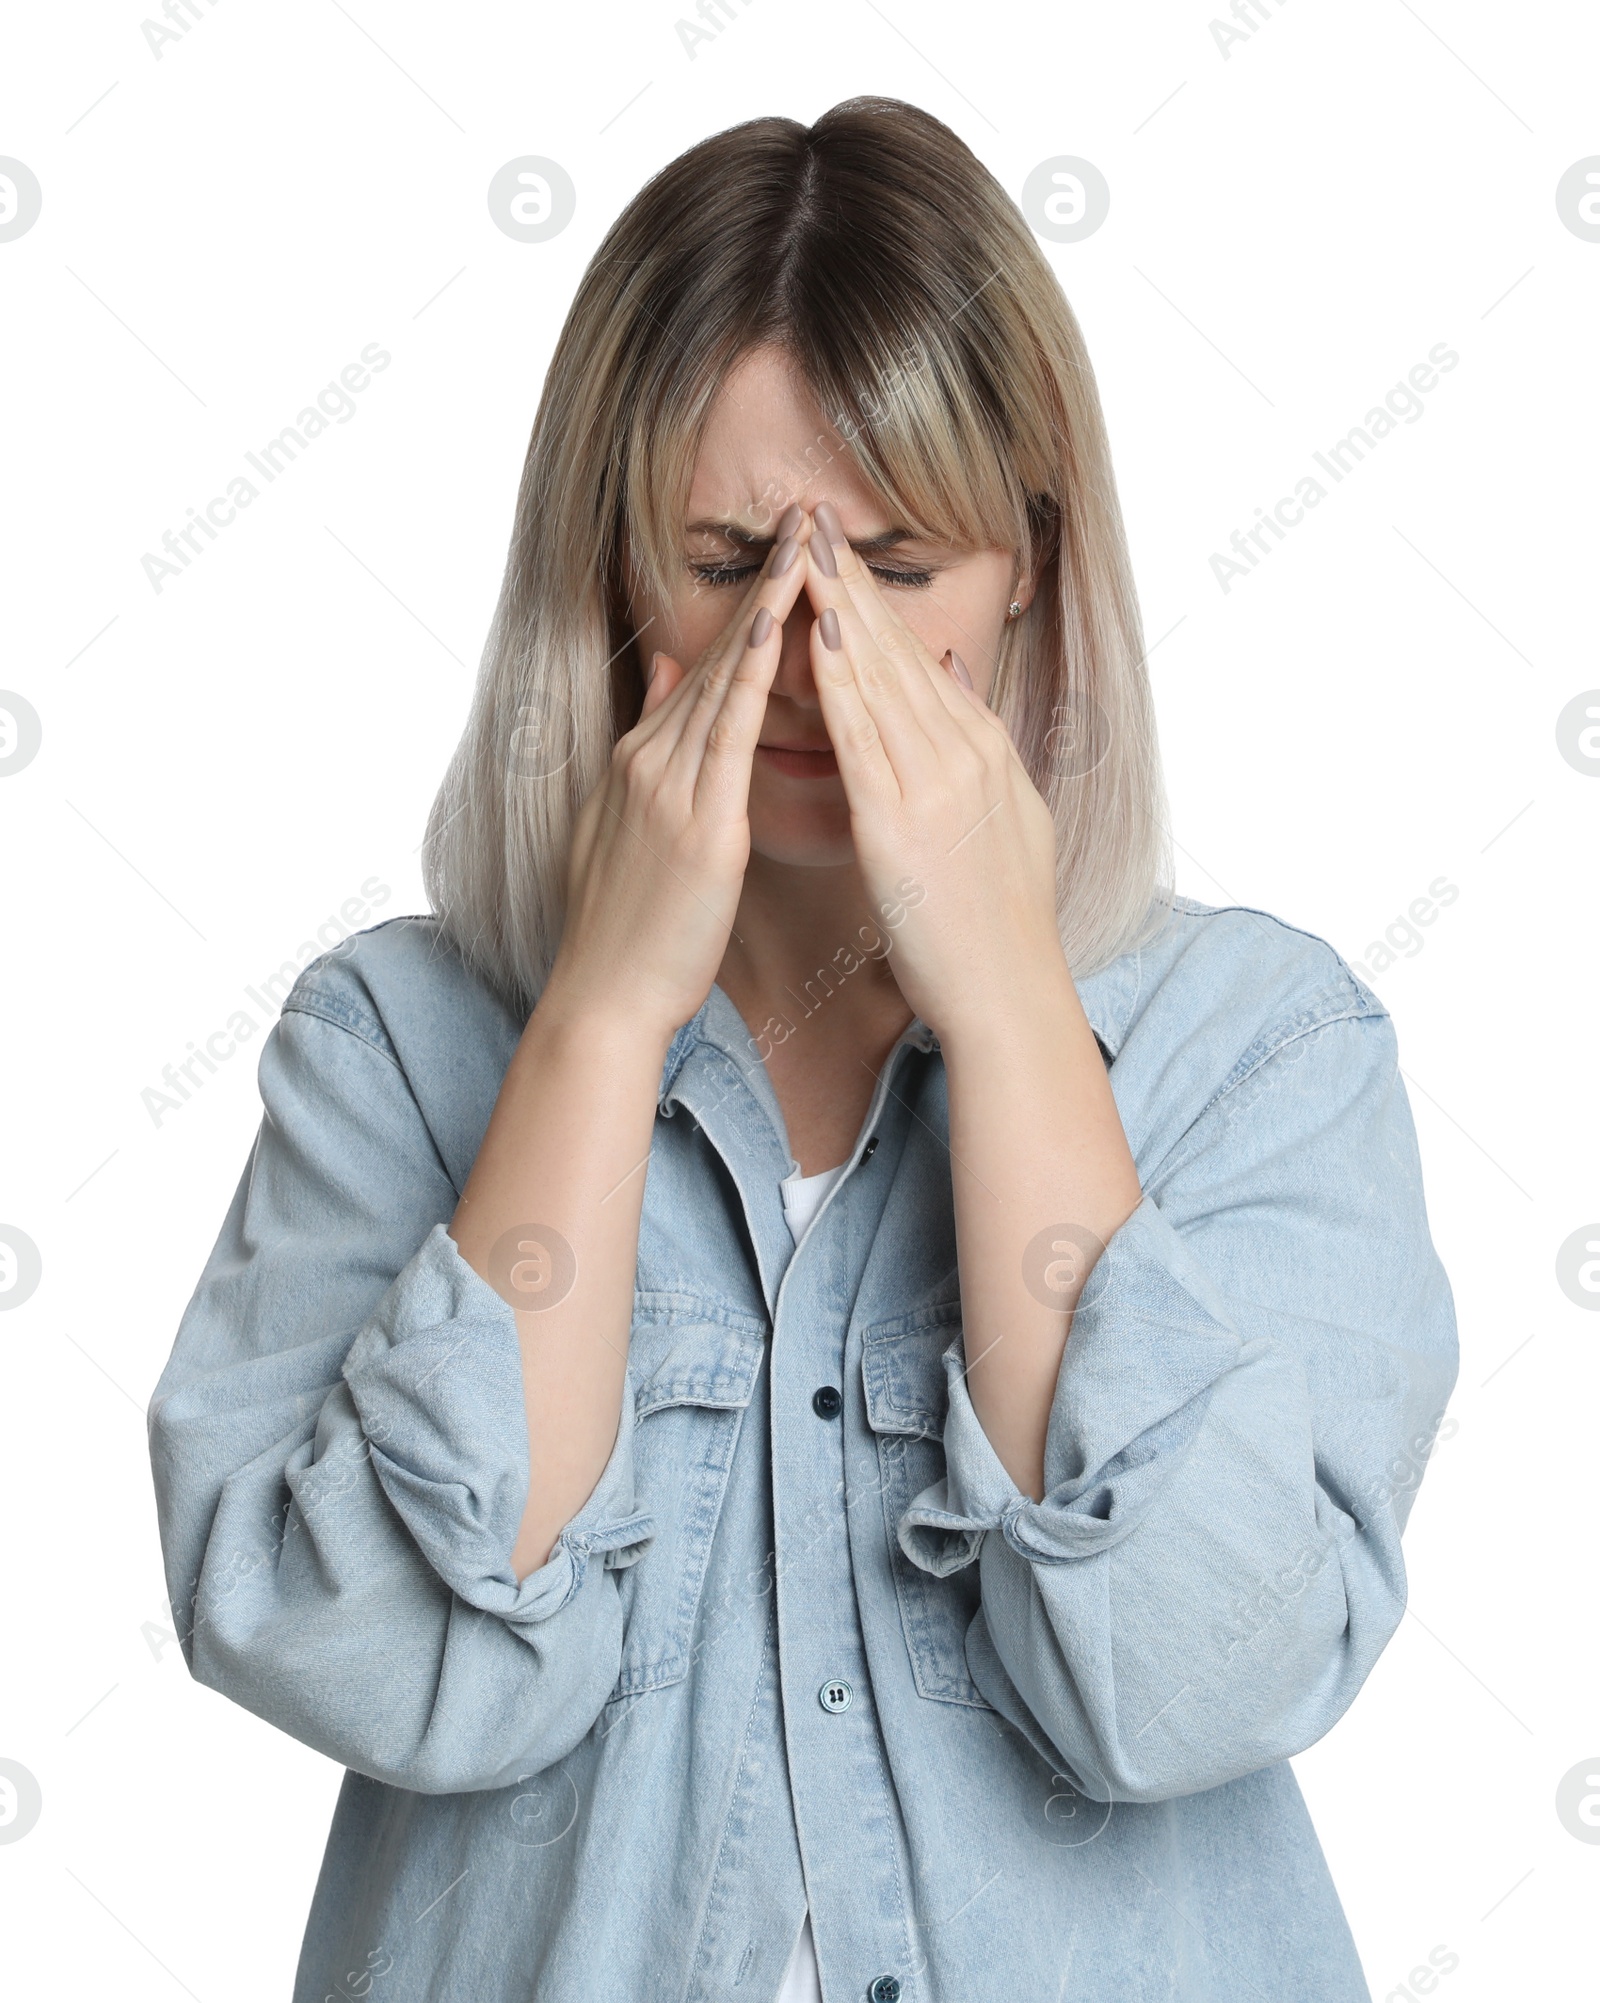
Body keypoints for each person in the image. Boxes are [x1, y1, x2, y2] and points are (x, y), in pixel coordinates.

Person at [147, 97, 1458, 2003]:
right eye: (726, 561)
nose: (805, 651)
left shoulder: (1260, 1054)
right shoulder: (396, 1054)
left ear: (1030, 571)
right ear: (606, 577)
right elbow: (368, 1663)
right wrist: (599, 1023)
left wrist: (1009, 1010)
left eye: (897, 568)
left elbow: (1199, 1682)